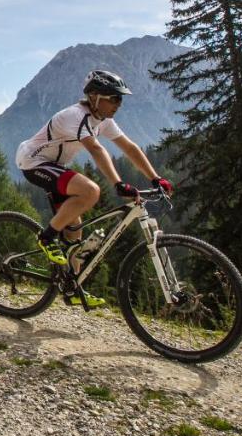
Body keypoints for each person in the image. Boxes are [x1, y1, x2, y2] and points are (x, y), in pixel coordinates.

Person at [14, 69, 174, 308]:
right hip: (33, 161)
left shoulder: (103, 121)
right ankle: (46, 238)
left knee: (74, 233)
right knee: (90, 191)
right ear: (95, 97)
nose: (118, 104)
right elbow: (97, 150)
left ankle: (72, 287)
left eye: (121, 99)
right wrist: (118, 183)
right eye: (114, 98)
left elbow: (130, 148)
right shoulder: (75, 116)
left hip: (55, 166)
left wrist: (155, 178)